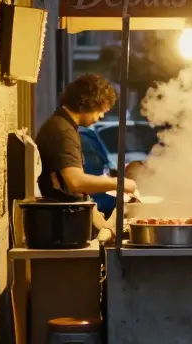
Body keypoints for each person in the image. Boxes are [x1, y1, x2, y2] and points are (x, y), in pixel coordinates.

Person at [35, 74, 138, 236]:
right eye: (101, 109)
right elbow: (75, 181)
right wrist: (119, 183)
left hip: (68, 222)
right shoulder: (62, 131)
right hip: (63, 228)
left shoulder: (65, 126)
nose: (102, 116)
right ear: (87, 102)